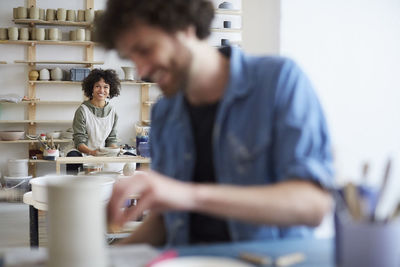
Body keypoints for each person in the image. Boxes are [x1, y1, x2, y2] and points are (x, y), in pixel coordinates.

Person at [96, 0, 334, 246]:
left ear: (185, 27)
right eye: (131, 58)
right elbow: (165, 222)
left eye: (145, 50)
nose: (141, 70)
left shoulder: (278, 81)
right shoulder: (165, 113)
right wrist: (106, 259)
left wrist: (189, 196)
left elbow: (313, 205)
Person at [67, 68, 121, 174]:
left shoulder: (113, 112)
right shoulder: (82, 110)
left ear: (110, 90)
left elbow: (111, 140)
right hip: (82, 151)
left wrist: (114, 151)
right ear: (91, 88)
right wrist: (92, 153)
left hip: (101, 152)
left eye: (106, 87)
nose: (101, 90)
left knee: (131, 158)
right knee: (72, 157)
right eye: (97, 86)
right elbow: (79, 141)